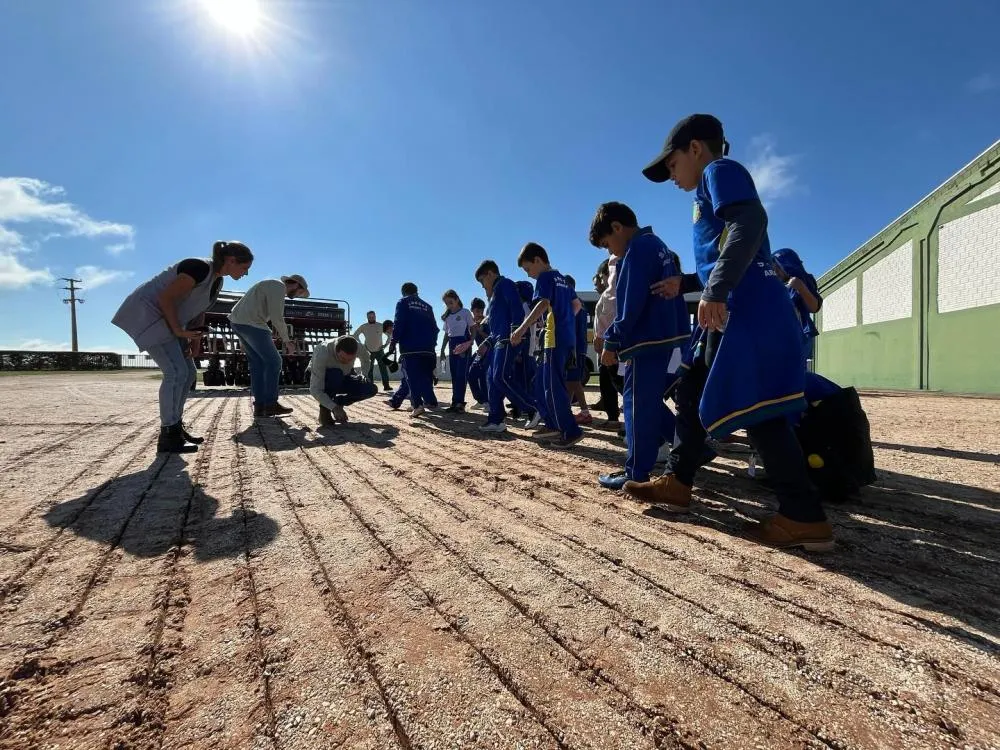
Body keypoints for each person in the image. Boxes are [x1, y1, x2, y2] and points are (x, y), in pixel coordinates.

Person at [628, 113, 832, 551]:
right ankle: (679, 484)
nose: (671, 176)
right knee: (690, 391)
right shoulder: (709, 185)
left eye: (671, 164)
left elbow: (749, 223)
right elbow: (730, 249)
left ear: (696, 149)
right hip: (733, 309)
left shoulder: (720, 171)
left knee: (758, 410)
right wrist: (686, 283)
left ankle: (803, 515)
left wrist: (715, 290)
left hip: (745, 310)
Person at [112, 241, 254, 453]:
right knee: (175, 372)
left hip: (171, 322)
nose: (245, 274)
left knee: (188, 374)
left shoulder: (216, 281)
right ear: (231, 260)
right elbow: (165, 297)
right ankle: (168, 434)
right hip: (151, 316)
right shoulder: (198, 267)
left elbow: (199, 311)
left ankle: (175, 426)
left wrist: (194, 341)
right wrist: (179, 331)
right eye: (244, 268)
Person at [588, 203, 688, 489]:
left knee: (635, 407)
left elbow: (630, 305)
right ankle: (689, 450)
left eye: (608, 244)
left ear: (617, 228)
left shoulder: (636, 251)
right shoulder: (657, 245)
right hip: (664, 336)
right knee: (647, 403)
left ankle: (635, 472)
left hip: (645, 340)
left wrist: (612, 340)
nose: (610, 252)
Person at [511, 243, 583, 449]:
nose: (529, 274)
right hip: (565, 336)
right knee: (543, 381)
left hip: (554, 338)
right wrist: (565, 318)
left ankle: (570, 430)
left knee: (553, 386)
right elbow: (576, 305)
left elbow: (542, 303)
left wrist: (523, 328)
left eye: (528, 269)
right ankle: (552, 424)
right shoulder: (562, 278)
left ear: (538, 260)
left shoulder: (545, 277)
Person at [229, 274, 310, 418]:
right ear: (297, 285)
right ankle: (270, 404)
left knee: (257, 365)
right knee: (274, 361)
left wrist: (243, 339)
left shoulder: (268, 284)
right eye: (300, 293)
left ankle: (260, 406)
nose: (297, 296)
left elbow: (244, 307)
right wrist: (287, 341)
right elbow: (277, 317)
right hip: (253, 324)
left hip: (238, 323)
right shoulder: (278, 286)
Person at [474, 260, 536, 433]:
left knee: (500, 377)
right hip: (498, 341)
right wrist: (486, 343)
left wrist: (516, 330)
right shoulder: (494, 296)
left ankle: (534, 408)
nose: (482, 286)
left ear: (490, 274)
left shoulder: (505, 284)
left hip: (508, 340)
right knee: (491, 378)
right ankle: (496, 419)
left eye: (482, 281)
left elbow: (516, 307)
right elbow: (495, 326)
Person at [387, 282, 440, 417]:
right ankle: (431, 402)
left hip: (411, 348)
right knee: (425, 377)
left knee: (412, 377)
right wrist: (432, 344)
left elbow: (399, 322)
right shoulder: (428, 306)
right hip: (428, 349)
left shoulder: (403, 302)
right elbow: (435, 328)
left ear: (404, 292)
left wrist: (393, 341)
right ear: (416, 292)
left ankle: (417, 405)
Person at [309, 335, 377, 425]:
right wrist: (333, 408)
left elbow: (366, 359)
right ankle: (325, 408)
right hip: (321, 377)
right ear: (336, 350)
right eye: (342, 358)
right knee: (335, 374)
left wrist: (364, 374)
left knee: (370, 388)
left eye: (350, 359)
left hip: (344, 376)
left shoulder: (359, 347)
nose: (346, 362)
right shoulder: (322, 352)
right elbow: (315, 389)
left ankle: (337, 402)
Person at [771, 248, 822, 368]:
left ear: (787, 265)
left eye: (778, 267)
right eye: (773, 268)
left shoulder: (802, 281)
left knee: (795, 374)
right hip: (779, 335)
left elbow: (814, 307)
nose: (775, 271)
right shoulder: (775, 285)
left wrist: (801, 287)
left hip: (799, 335)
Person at [592, 257, 624, 424]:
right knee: (607, 382)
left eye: (601, 277)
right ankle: (612, 417)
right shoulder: (607, 294)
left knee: (618, 382)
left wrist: (600, 337)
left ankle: (615, 418)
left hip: (610, 343)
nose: (601, 281)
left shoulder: (612, 293)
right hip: (607, 342)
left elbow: (609, 317)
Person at [563, 275, 593, 426]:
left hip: (574, 347)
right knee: (571, 380)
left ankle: (585, 411)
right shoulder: (580, 303)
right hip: (579, 347)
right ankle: (566, 410)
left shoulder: (572, 304)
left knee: (573, 380)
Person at [439, 290, 475, 412]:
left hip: (463, 344)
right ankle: (454, 402)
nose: (449, 305)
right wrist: (443, 349)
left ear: (457, 300)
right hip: (452, 345)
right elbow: (446, 334)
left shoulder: (465, 312)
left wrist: (471, 341)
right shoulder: (448, 317)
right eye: (447, 303)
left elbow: (473, 328)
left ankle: (460, 403)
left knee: (461, 374)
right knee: (454, 375)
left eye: (451, 302)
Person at [353, 310, 393, 392]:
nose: (371, 318)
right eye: (370, 317)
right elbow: (355, 335)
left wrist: (385, 344)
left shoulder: (381, 325)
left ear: (375, 316)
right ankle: (370, 386)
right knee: (369, 369)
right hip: (368, 351)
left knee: (383, 368)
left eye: (373, 316)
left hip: (379, 351)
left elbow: (389, 335)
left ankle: (386, 385)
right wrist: (362, 346)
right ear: (367, 317)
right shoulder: (364, 326)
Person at [466, 297, 491, 410]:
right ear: (472, 310)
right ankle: (480, 400)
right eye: (477, 311)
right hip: (479, 352)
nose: (479, 313)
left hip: (489, 351)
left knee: (483, 376)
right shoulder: (471, 322)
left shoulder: (487, 321)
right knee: (470, 375)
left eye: (481, 311)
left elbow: (492, 338)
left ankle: (487, 401)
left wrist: (480, 330)